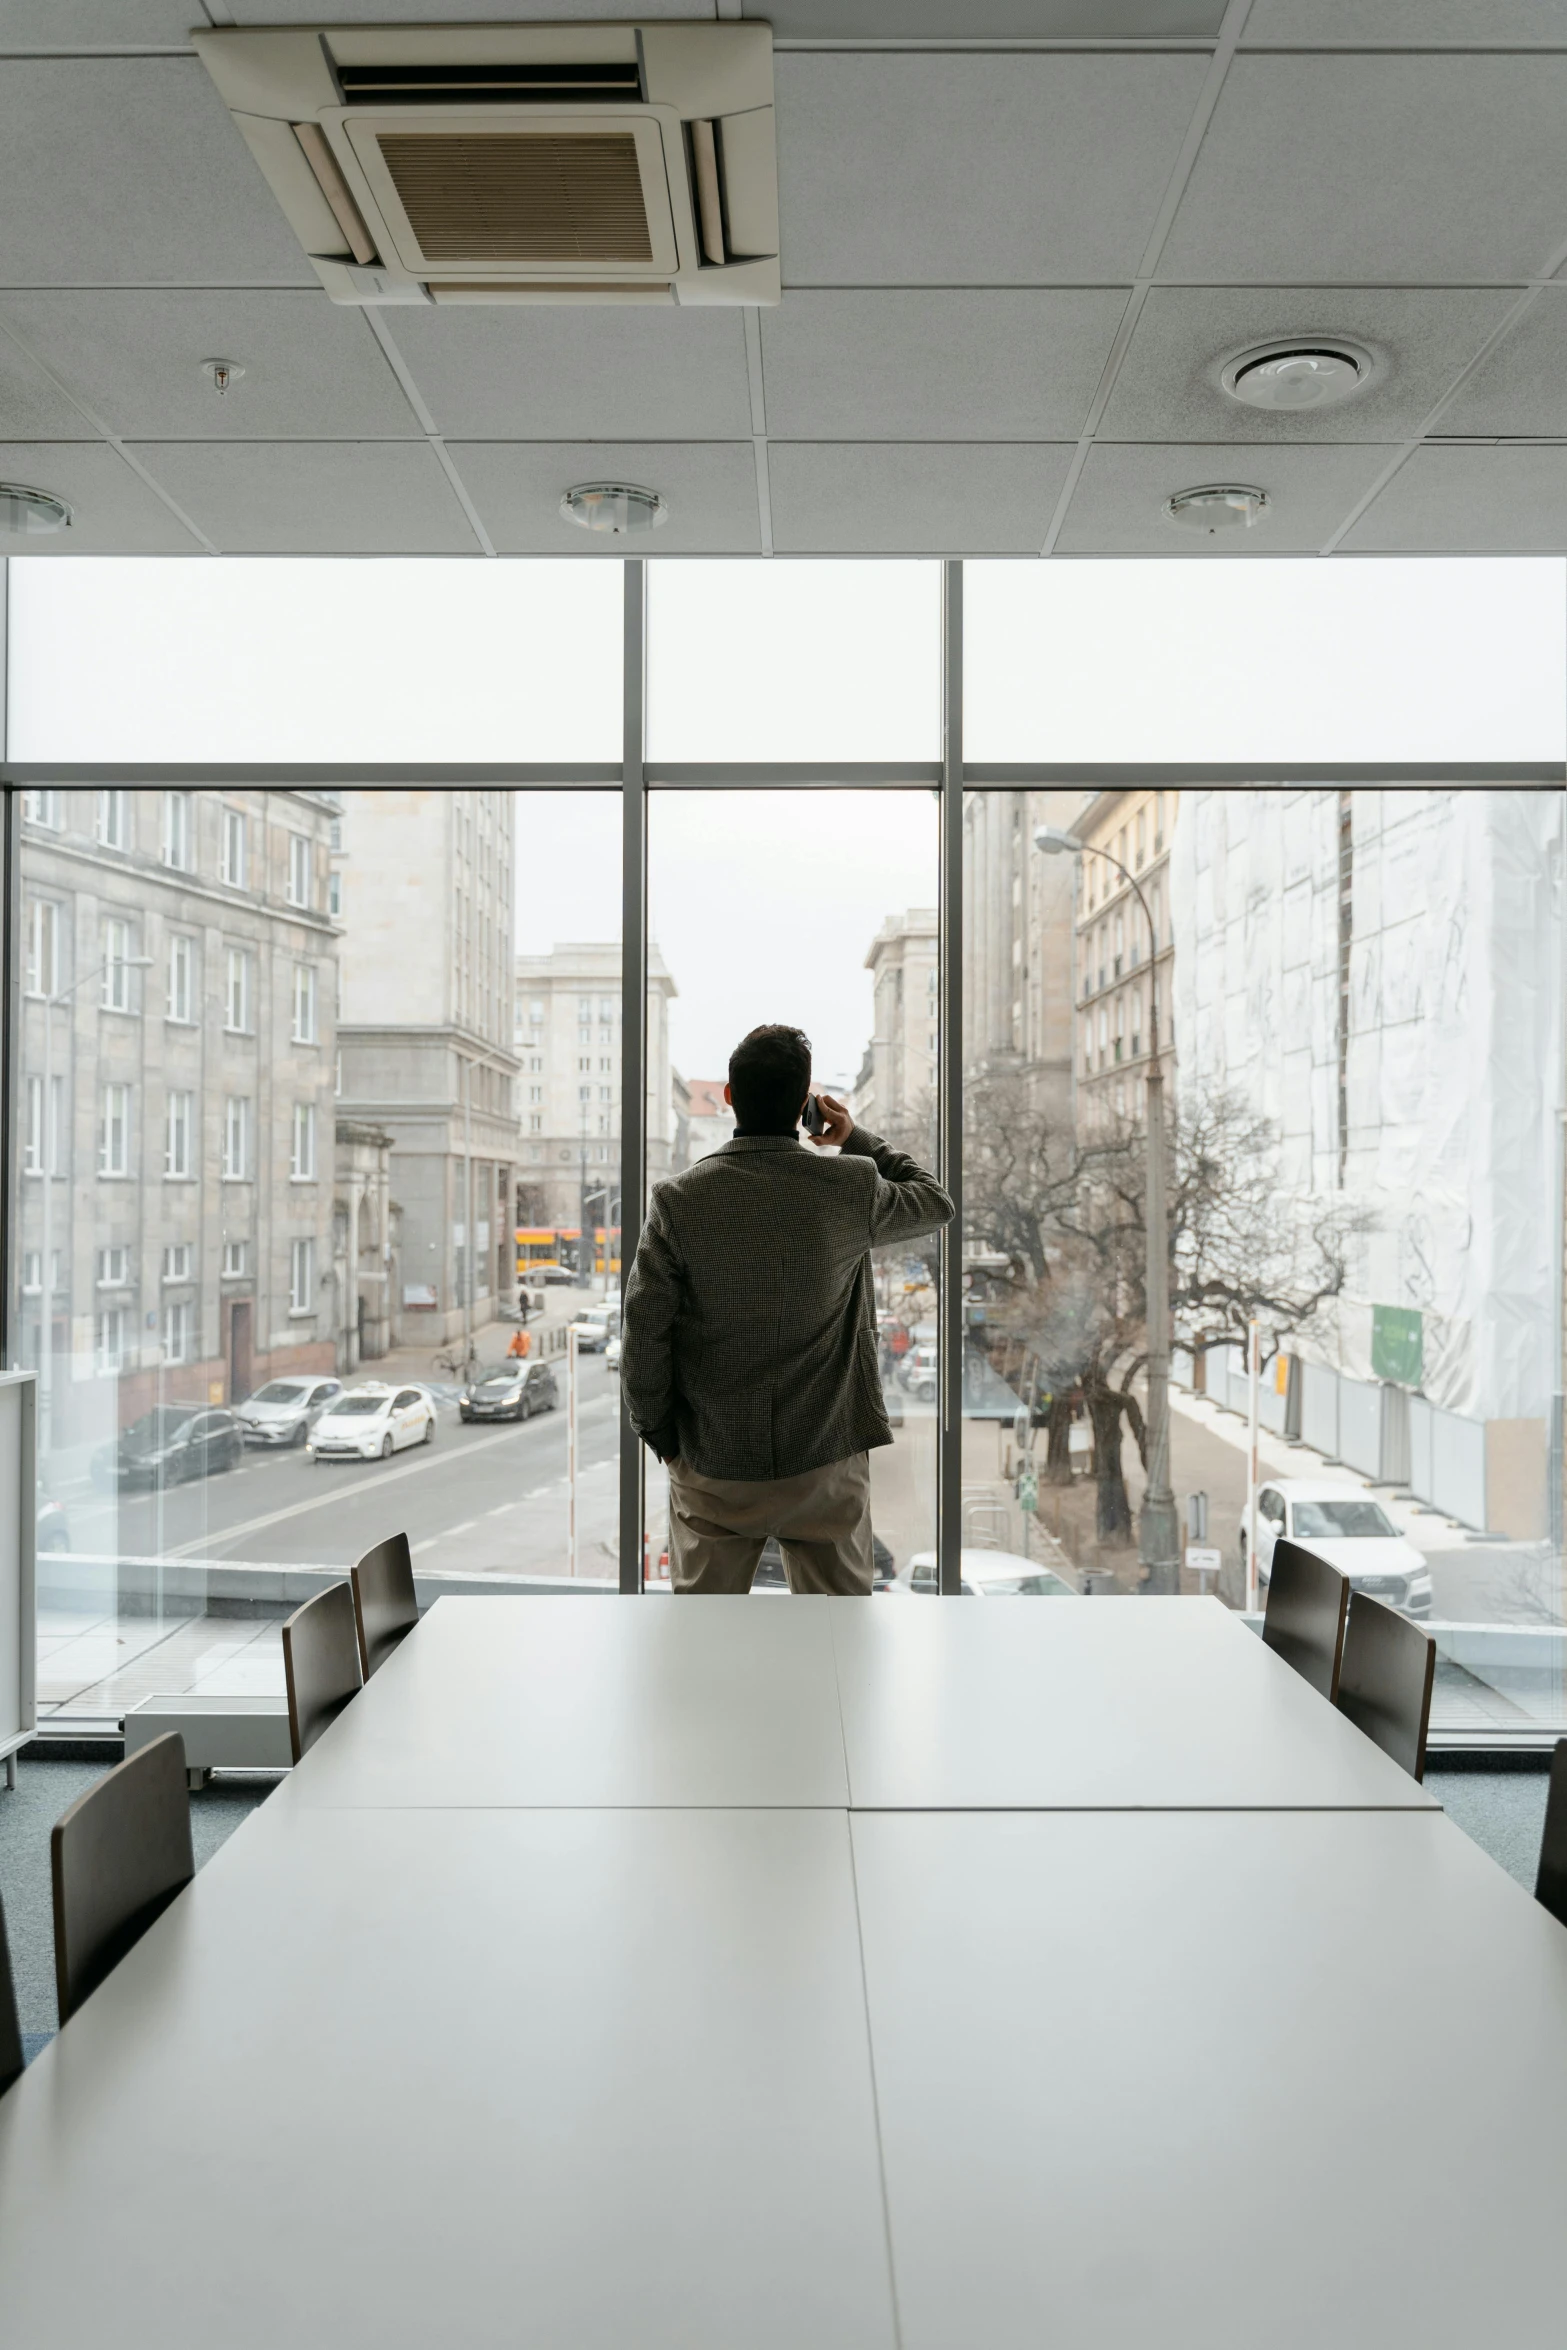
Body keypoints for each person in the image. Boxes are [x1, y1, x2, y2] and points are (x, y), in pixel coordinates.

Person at [621, 1022, 953, 1594]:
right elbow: (935, 1201)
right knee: (838, 1654)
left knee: (706, 1646)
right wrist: (855, 1139)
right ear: (805, 1105)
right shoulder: (849, 1186)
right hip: (825, 1459)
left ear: (729, 1096)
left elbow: (644, 1332)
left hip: (713, 1463)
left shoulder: (677, 1200)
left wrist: (662, 1438)